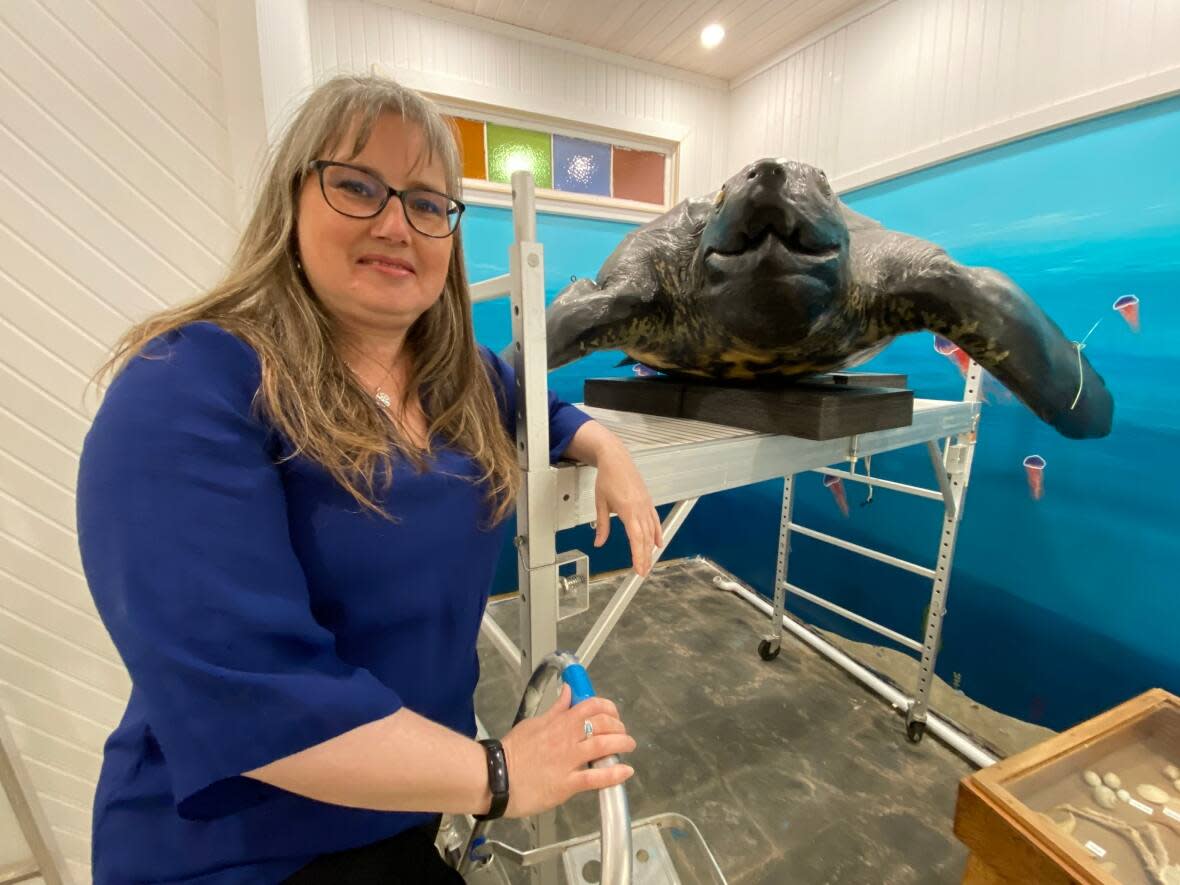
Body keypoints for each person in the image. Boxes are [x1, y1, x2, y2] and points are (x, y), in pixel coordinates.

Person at [76, 74, 663, 884]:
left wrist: (605, 445)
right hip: (240, 848)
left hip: (403, 814)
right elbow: (252, 692)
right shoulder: (187, 384)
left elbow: (535, 400)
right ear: (294, 200)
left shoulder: (456, 377)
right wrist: (498, 773)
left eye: (427, 203)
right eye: (357, 186)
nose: (396, 223)